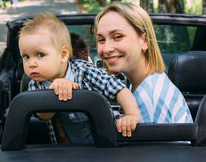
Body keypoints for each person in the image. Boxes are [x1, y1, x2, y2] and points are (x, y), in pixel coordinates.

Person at [18, 12, 140, 144]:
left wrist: (132, 115)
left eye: (40, 54)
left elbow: (119, 89)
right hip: (70, 151)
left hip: (110, 142)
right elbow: (43, 115)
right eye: (26, 56)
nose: (31, 63)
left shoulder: (85, 71)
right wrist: (53, 94)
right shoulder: (35, 85)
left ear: (63, 55)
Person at [94, 2, 193, 123]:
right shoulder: (148, 82)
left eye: (118, 36)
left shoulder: (150, 100)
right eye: (101, 40)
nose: (106, 48)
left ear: (144, 41)